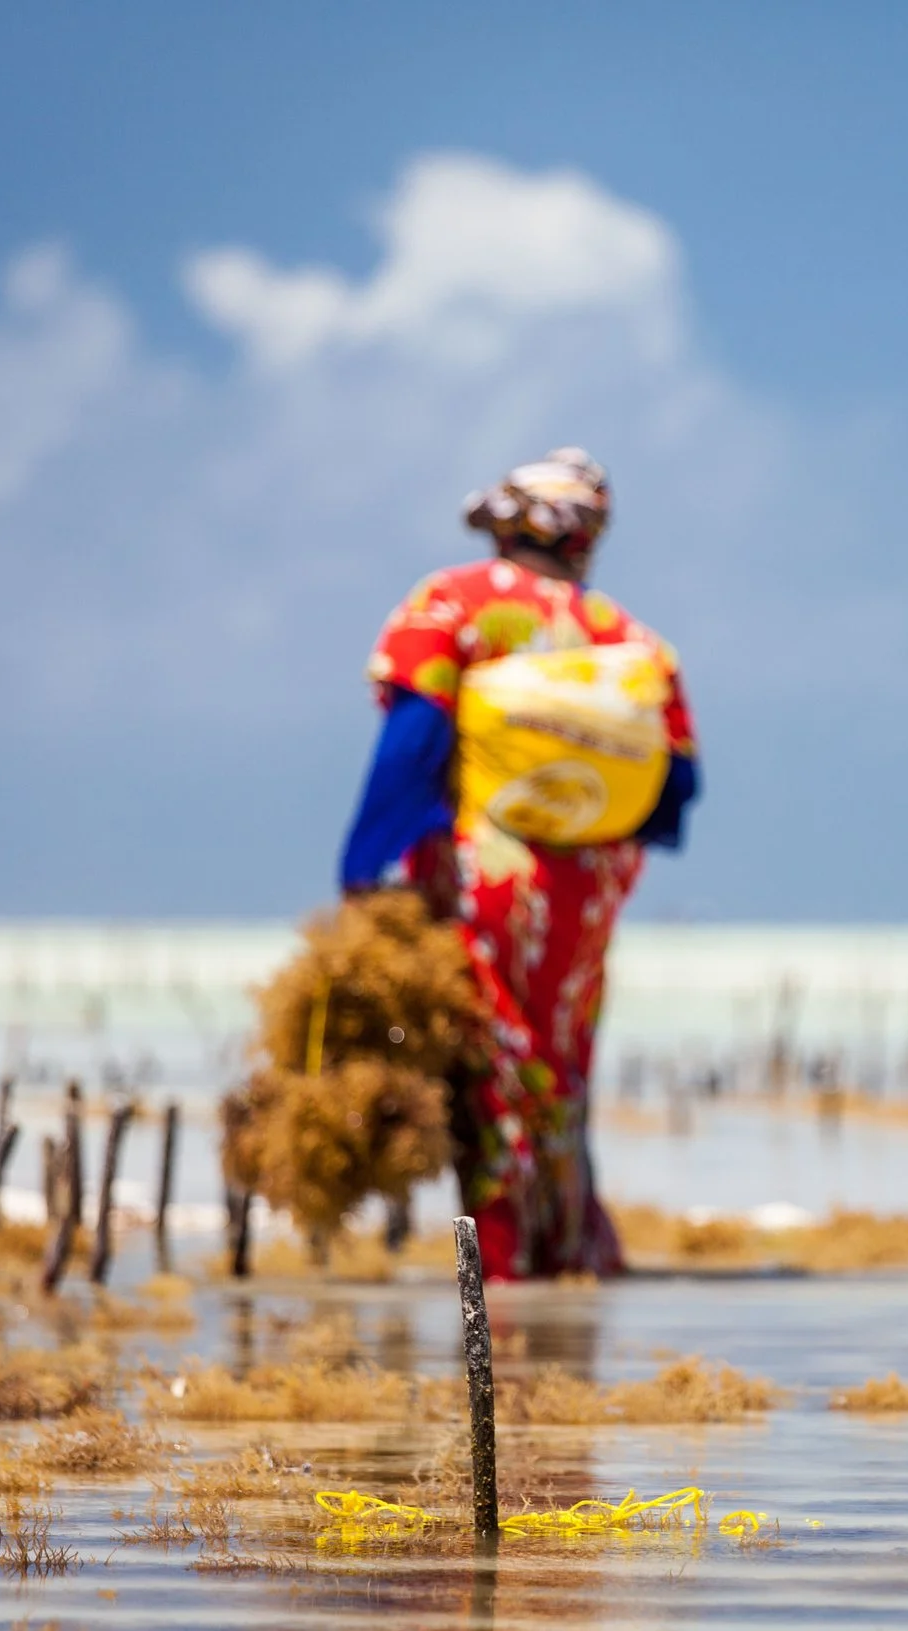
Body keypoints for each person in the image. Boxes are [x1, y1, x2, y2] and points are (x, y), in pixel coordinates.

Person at [340, 447, 698, 1279]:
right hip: (590, 886)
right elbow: (675, 788)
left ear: (503, 522)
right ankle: (567, 1250)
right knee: (561, 1069)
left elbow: (412, 743)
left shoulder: (450, 604)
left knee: (492, 1068)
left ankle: (501, 1271)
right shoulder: (632, 639)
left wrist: (364, 874)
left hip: (486, 876)